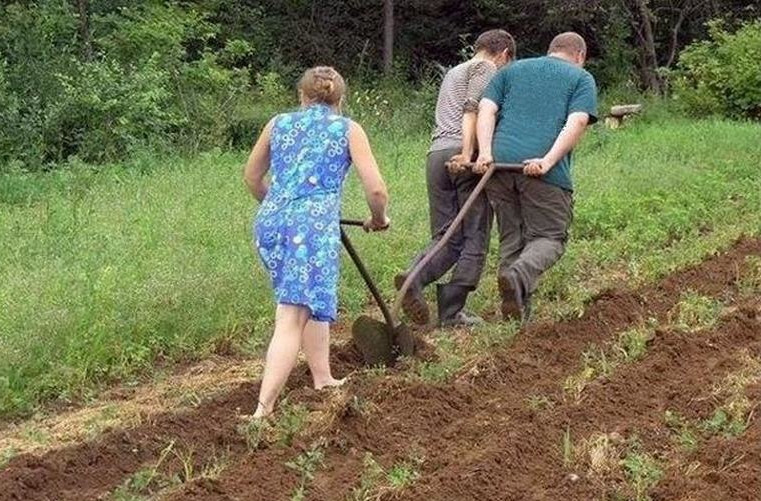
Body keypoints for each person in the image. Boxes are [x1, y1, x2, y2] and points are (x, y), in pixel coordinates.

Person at [244, 66, 390, 418]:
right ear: (340, 99)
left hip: (270, 223)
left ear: (301, 97)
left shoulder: (278, 123)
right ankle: (263, 411)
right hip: (310, 230)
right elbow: (376, 190)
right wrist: (379, 219)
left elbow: (252, 177)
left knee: (309, 299)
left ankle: (322, 377)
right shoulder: (347, 129)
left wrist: (283, 207)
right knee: (292, 314)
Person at [475, 32, 598, 324]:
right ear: (579, 56)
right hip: (541, 169)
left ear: (551, 49)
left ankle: (515, 316)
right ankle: (516, 278)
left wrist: (486, 153)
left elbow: (487, 109)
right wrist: (547, 161)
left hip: (500, 166)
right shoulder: (581, 78)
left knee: (512, 238)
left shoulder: (512, 70)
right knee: (550, 237)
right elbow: (578, 120)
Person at [395, 30, 516, 327]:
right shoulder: (486, 68)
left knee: (446, 235)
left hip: (435, 154)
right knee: (475, 236)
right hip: (462, 155)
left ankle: (414, 277)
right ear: (503, 54)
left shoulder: (454, 72)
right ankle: (451, 312)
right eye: (508, 62)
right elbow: (472, 109)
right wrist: (468, 153)